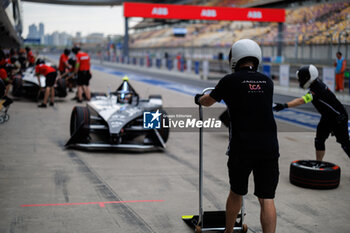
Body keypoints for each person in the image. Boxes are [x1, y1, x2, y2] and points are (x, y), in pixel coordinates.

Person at [195, 39, 279, 233]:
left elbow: (208, 101)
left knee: (236, 192)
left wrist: (198, 98)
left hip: (242, 147)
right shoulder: (267, 81)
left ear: (234, 58)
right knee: (267, 197)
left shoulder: (229, 80)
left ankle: (229, 231)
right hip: (269, 147)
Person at [273, 64, 350, 161]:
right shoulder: (315, 84)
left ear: (307, 78)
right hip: (327, 117)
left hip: (338, 118)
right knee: (319, 141)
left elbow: (302, 100)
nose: (300, 81)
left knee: (345, 144)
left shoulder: (316, 90)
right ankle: (319, 163)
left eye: (301, 78)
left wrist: (284, 105)